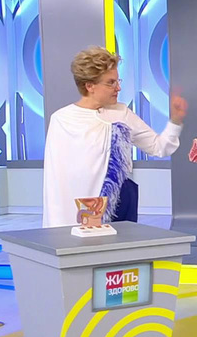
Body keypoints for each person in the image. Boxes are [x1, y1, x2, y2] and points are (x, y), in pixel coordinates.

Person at [42, 46, 188, 228]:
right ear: (90, 86)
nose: (118, 88)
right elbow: (55, 182)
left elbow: (159, 147)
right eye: (110, 83)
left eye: (117, 81)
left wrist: (175, 121)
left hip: (118, 206)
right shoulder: (61, 119)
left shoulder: (121, 114)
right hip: (75, 215)